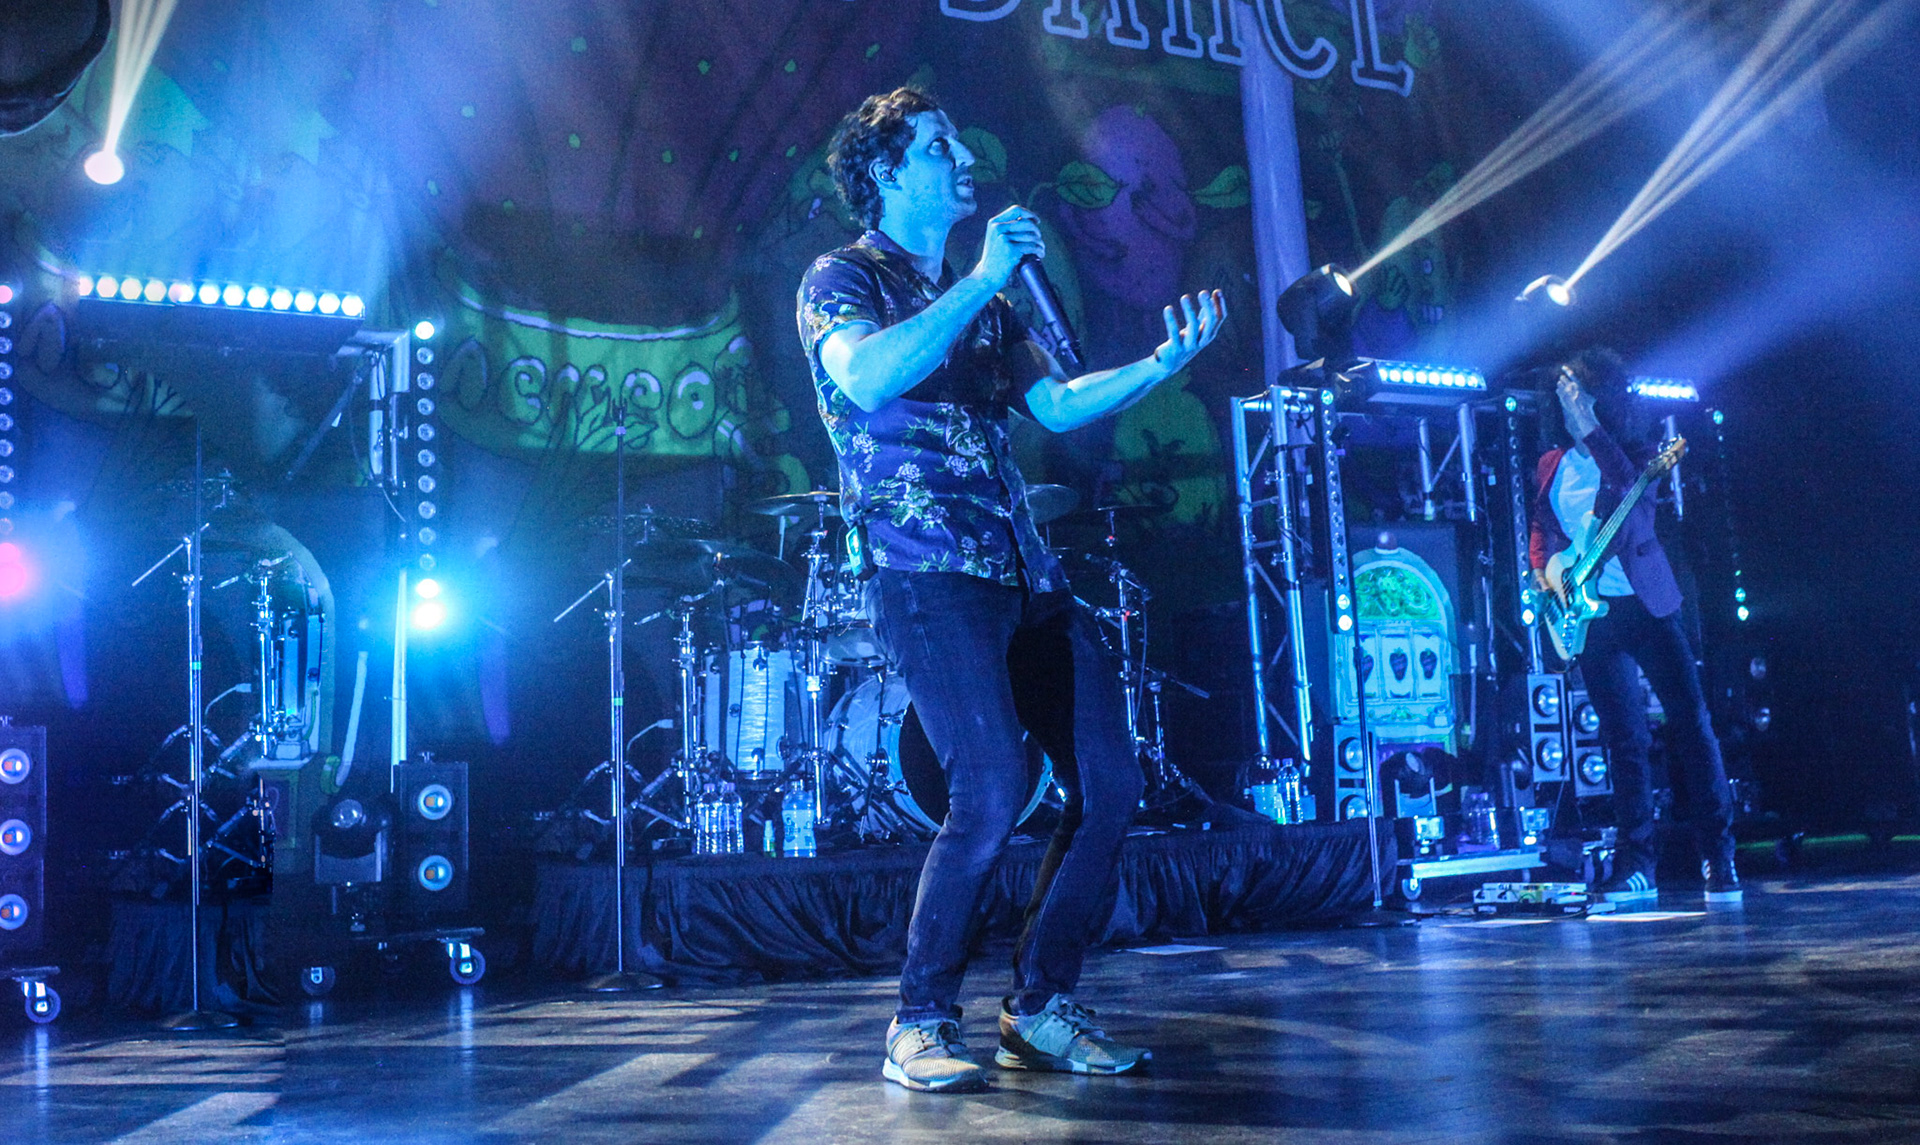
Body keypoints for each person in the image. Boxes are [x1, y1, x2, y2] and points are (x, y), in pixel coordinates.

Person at [796, 87, 1226, 1093]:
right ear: (888, 172)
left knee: (1109, 784)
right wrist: (984, 277)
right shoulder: (841, 278)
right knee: (988, 786)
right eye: (938, 145)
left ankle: (1039, 1007)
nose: (962, 157)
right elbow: (866, 377)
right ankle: (919, 1019)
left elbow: (1059, 405)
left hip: (1025, 568)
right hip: (923, 570)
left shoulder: (985, 301)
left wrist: (1160, 364)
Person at [1528, 349, 1739, 907]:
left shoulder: (1640, 455)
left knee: (1692, 725)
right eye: (1564, 396)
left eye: (1581, 393)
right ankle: (1635, 865)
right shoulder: (1552, 464)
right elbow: (1541, 525)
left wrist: (1591, 429)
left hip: (1648, 605)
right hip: (1593, 616)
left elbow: (1626, 491)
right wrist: (1544, 573)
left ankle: (1719, 855)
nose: (1570, 403)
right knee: (1625, 741)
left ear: (1606, 398)